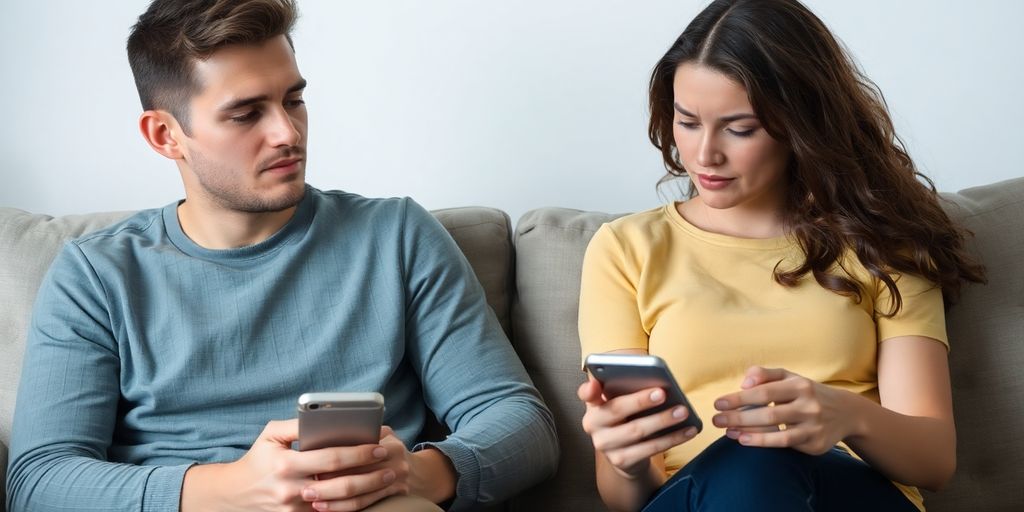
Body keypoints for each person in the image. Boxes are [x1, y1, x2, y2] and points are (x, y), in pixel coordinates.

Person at [5, 1, 557, 510]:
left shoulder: (395, 236)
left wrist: (415, 474)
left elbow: (524, 424)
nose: (287, 133)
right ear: (165, 134)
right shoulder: (96, 274)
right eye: (246, 114)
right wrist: (229, 489)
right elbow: (39, 480)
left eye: (293, 99)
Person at [576, 0, 986, 511]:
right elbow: (625, 500)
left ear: (801, 123)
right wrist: (627, 461)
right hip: (695, 500)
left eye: (740, 128)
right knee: (751, 457)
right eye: (687, 122)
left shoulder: (883, 241)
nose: (704, 155)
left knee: (766, 452)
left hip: (849, 495)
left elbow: (934, 461)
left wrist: (847, 415)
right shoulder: (625, 248)